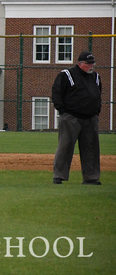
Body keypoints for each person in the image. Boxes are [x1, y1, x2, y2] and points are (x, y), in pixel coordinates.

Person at [51, 51, 102, 185]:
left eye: (93, 63)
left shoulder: (95, 77)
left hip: (90, 118)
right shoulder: (67, 75)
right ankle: (59, 176)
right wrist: (62, 110)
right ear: (80, 64)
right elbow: (57, 92)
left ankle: (91, 177)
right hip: (71, 117)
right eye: (89, 64)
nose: (91, 66)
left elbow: (98, 94)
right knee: (65, 146)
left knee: (91, 148)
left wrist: (96, 111)